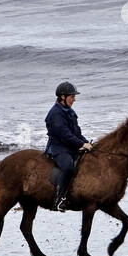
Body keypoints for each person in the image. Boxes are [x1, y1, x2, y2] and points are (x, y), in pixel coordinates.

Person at [44, 81, 92, 211]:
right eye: (72, 97)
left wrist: (87, 143)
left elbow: (76, 133)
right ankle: (59, 200)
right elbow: (64, 135)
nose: (74, 99)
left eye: (74, 97)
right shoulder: (55, 114)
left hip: (70, 146)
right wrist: (81, 144)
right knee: (69, 168)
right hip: (58, 148)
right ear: (63, 97)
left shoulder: (69, 111)